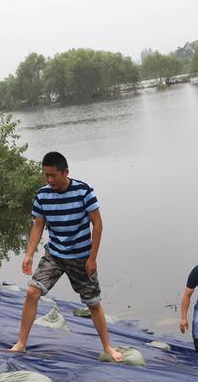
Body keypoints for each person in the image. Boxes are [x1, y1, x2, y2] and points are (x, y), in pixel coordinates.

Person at [10, 152, 122, 362]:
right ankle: (21, 343)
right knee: (32, 292)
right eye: (46, 175)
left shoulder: (83, 191)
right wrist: (29, 254)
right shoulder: (42, 195)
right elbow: (38, 225)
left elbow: (97, 223)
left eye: (53, 175)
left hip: (81, 257)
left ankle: (108, 347)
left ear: (65, 172)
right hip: (55, 255)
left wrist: (92, 258)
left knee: (93, 303)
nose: (49, 180)